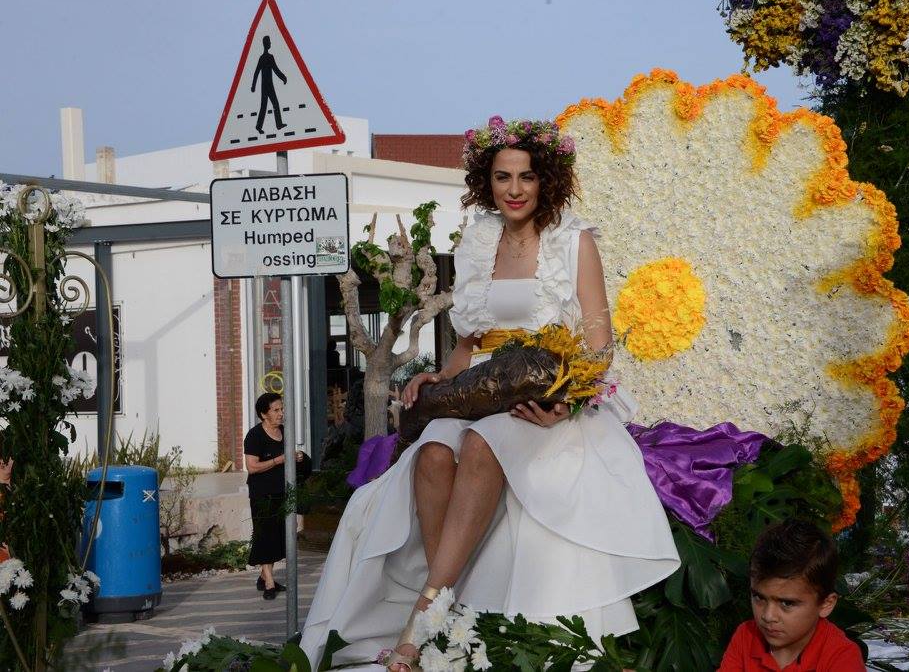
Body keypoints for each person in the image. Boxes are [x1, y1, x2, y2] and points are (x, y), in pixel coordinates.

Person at [300, 117, 680, 671]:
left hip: (543, 394)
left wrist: (567, 403)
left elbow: (600, 344)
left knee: (482, 445)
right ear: (487, 181)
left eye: (527, 176)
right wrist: (439, 378)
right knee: (433, 451)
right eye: (503, 177)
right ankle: (451, 604)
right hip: (481, 387)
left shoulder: (574, 240)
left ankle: (420, 622)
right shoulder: (477, 241)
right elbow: (469, 342)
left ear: (546, 179)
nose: (515, 189)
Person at [718, 519, 865, 671]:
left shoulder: (842, 658)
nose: (768, 616)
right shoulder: (746, 636)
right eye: (759, 597)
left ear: (826, 604)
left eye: (787, 603)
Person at [243, 392, 306, 600]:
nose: (281, 413)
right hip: (262, 494)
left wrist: (297, 457)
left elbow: (288, 458)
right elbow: (252, 467)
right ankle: (269, 584)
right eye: (276, 410)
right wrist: (278, 460)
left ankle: (264, 576)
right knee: (265, 536)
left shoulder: (285, 432)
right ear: (264, 414)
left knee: (280, 536)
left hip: (283, 492)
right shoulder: (255, 436)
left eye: (282, 409)